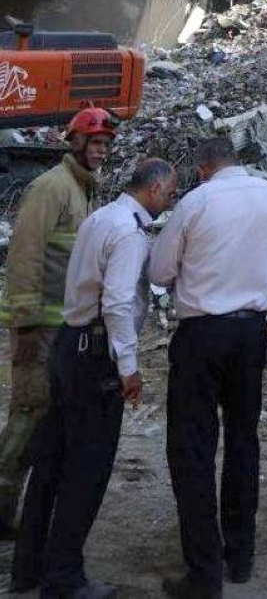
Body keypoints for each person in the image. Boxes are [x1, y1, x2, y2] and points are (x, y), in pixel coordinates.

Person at [11, 157, 177, 599]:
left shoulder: (103, 214)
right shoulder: (129, 233)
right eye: (171, 191)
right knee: (86, 469)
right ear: (156, 188)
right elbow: (119, 303)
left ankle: (28, 568)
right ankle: (64, 577)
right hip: (94, 354)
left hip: (70, 344)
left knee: (52, 461)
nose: (171, 200)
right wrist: (128, 367)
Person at [149, 134, 267, 599]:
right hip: (250, 333)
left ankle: (203, 570)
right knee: (243, 442)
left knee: (193, 448)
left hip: (202, 334)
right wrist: (254, 274)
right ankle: (240, 556)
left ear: (203, 168)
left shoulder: (197, 202)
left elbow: (159, 272)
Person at [0, 108, 115, 536]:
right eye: (95, 143)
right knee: (28, 414)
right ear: (76, 142)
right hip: (40, 331)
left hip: (63, 329)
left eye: (106, 145)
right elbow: (24, 256)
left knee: (47, 418)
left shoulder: (83, 189)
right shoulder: (51, 189)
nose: (101, 152)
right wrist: (25, 324)